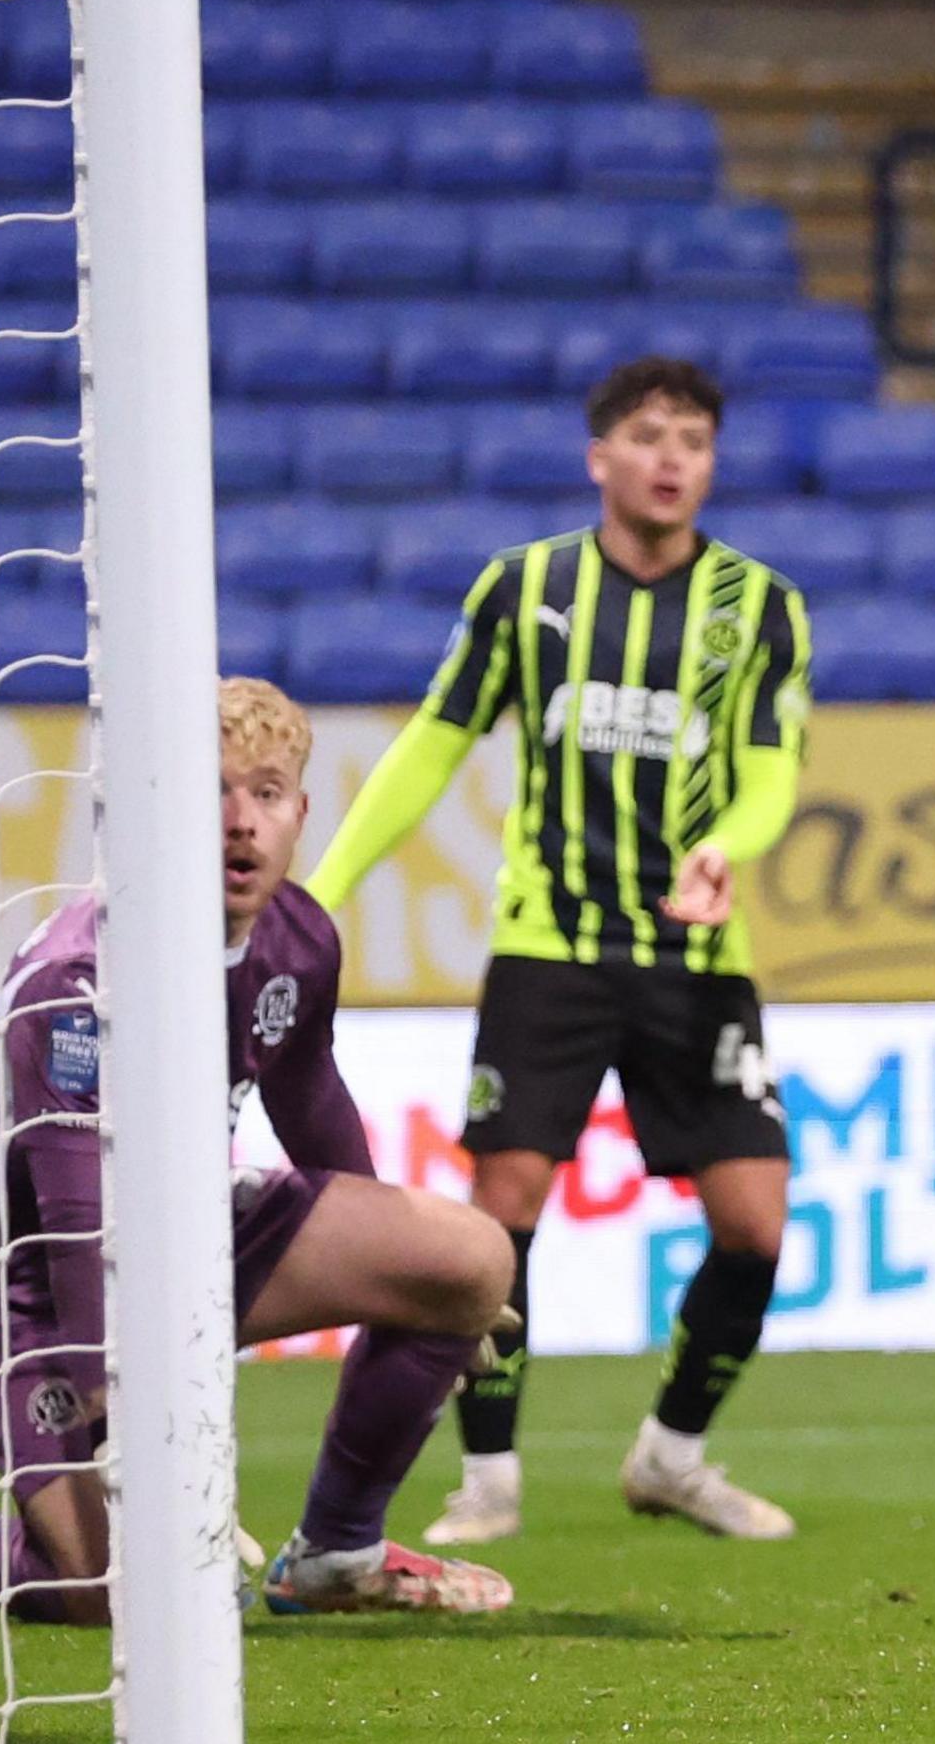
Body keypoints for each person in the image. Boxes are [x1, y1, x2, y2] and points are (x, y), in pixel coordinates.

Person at [0, 679, 519, 1620]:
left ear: (302, 812)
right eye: (213, 793)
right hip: (11, 1289)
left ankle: (335, 1554)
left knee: (473, 1256)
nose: (241, 823)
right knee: (120, 1591)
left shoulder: (298, 940)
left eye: (268, 793)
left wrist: (413, 1286)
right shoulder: (80, 983)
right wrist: (135, 1445)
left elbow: (311, 1098)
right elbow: (79, 1230)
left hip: (181, 1226)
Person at [305, 356, 813, 1545]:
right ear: (600, 456)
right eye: (648, 433)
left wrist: (728, 845)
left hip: (696, 953)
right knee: (503, 1209)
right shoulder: (527, 590)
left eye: (694, 436)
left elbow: (775, 766)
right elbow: (436, 740)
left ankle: (672, 1455)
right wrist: (325, 890)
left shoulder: (760, 607)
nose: (673, 456)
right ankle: (488, 1478)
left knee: (755, 1223)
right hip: (552, 947)